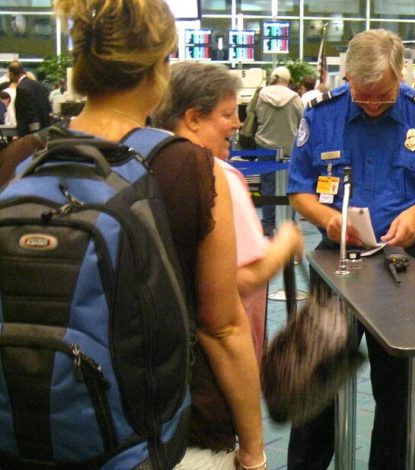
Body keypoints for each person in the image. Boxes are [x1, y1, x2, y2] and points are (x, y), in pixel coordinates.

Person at [0, 1, 266, 469]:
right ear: (160, 66)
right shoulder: (190, 167)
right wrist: (253, 450)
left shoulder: (20, 156)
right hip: (155, 440)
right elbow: (221, 327)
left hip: (25, 429)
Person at [286, 28, 415, 470]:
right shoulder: (321, 114)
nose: (369, 104)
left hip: (402, 268)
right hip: (336, 263)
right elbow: (298, 189)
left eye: (380, 96)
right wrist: (327, 218)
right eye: (360, 94)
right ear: (346, 76)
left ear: (400, 74)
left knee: (398, 390)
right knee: (317, 382)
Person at [153, 61, 304, 368]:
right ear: (193, 118)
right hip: (220, 358)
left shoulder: (148, 164)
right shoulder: (218, 176)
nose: (237, 124)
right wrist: (285, 243)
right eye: (227, 114)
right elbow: (241, 279)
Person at [253, 65, 304, 235]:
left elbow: (252, 114)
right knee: (290, 186)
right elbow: (301, 119)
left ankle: (267, 223)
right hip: (290, 147)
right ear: (288, 81)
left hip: (265, 145)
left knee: (267, 184)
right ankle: (289, 222)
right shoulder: (294, 97)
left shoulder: (261, 95)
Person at [7, 61, 52, 136]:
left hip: (30, 133)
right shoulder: (37, 84)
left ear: (11, 74)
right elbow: (47, 107)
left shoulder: (22, 88)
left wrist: (34, 133)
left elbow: (31, 112)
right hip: (44, 128)